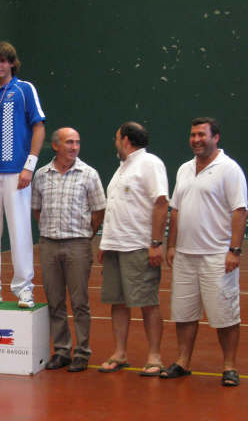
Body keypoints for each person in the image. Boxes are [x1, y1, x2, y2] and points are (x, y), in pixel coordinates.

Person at [162, 117, 247, 387]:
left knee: (225, 316)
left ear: (216, 137)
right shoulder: (185, 169)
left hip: (217, 256)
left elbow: (240, 211)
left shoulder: (229, 169)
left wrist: (234, 250)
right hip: (185, 256)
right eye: (193, 135)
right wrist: (171, 245)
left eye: (202, 135)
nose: (196, 140)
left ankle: (229, 366)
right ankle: (183, 361)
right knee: (184, 314)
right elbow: (175, 210)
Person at [0, 41, 46, 308]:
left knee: (20, 231)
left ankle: (24, 288)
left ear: (12, 63)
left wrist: (30, 165)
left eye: (3, 61)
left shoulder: (25, 90)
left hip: (16, 172)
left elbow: (38, 127)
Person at [97, 122, 169, 376]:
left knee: (147, 302)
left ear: (125, 140)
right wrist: (105, 243)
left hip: (139, 246)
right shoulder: (122, 168)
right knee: (117, 303)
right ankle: (120, 353)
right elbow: (116, 208)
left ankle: (155, 357)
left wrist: (156, 243)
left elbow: (161, 203)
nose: (115, 142)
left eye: (117, 138)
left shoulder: (150, 163)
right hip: (115, 246)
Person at [32, 128, 105, 372]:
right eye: (69, 142)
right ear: (55, 146)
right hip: (49, 244)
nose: (74, 147)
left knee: (79, 301)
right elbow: (36, 209)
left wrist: (86, 235)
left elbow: (98, 211)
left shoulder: (89, 174)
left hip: (78, 245)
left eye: (77, 142)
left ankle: (82, 352)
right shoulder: (41, 175)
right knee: (55, 301)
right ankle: (62, 350)